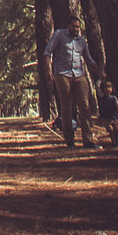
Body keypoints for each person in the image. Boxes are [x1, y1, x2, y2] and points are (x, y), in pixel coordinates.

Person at [43, 14, 103, 148]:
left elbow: (88, 59)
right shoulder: (59, 35)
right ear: (68, 26)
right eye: (73, 26)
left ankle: (88, 140)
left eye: (78, 27)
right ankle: (70, 141)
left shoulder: (81, 41)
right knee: (67, 106)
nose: (76, 29)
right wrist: (48, 71)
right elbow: (47, 53)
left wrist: (99, 71)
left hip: (79, 75)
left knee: (85, 105)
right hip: (62, 74)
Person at [97, 77, 118, 148]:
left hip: (114, 117)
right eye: (106, 88)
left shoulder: (114, 98)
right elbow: (98, 86)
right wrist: (101, 78)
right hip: (107, 118)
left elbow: (117, 107)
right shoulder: (102, 97)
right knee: (110, 130)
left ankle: (117, 140)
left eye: (109, 87)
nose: (108, 89)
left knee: (117, 129)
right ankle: (114, 142)